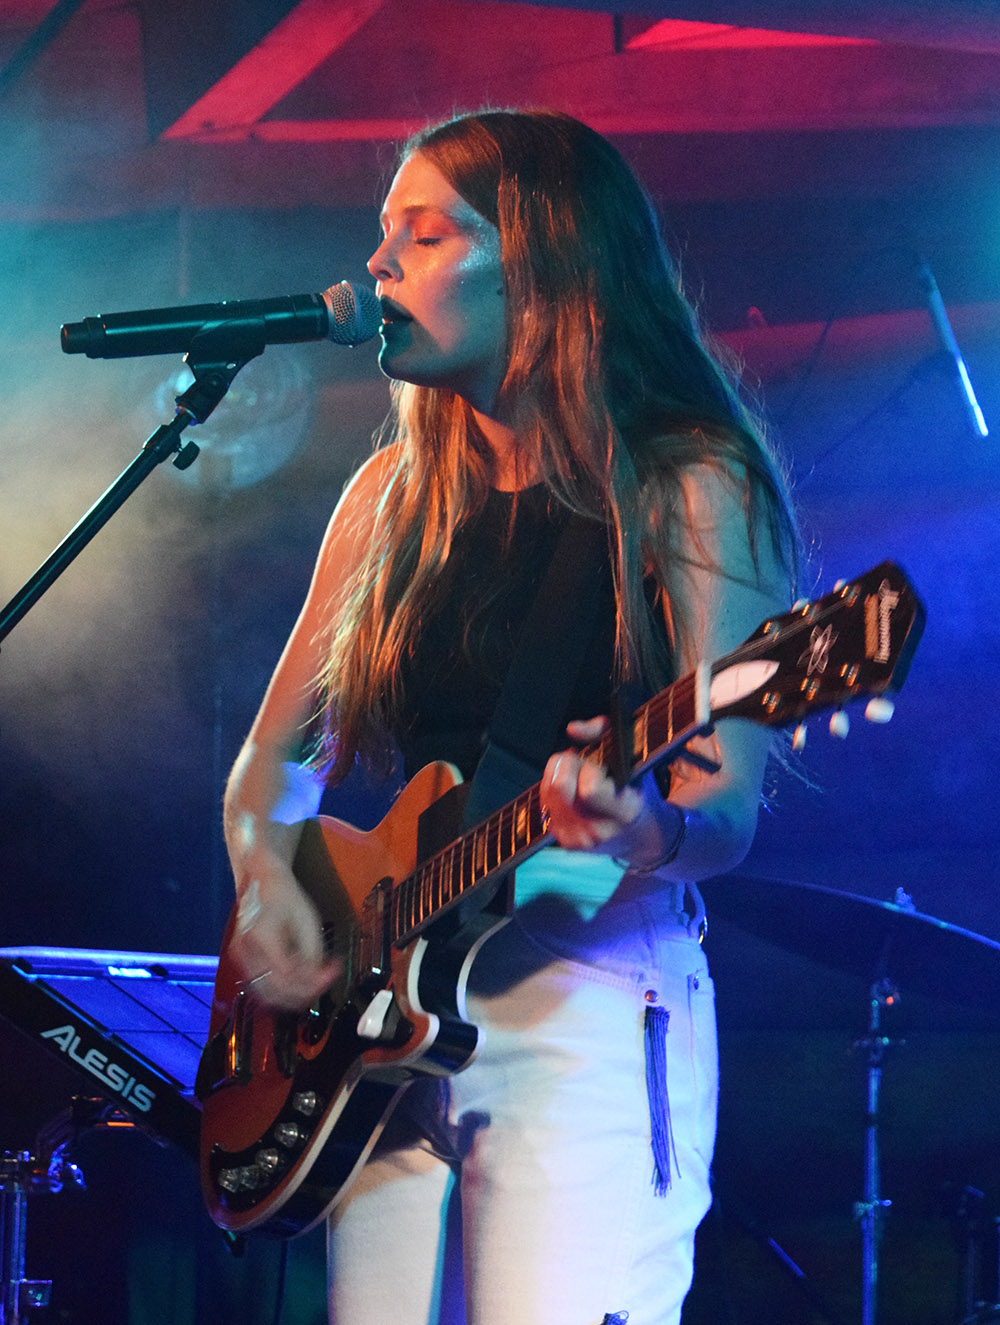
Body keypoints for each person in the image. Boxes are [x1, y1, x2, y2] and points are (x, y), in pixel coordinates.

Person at [223, 108, 799, 1325]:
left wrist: (639, 825)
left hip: (580, 994)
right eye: (381, 238)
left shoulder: (687, 481)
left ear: (543, 263)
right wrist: (264, 868)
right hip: (378, 1029)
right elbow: (274, 762)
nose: (376, 267)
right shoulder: (391, 496)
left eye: (423, 236)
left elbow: (725, 810)